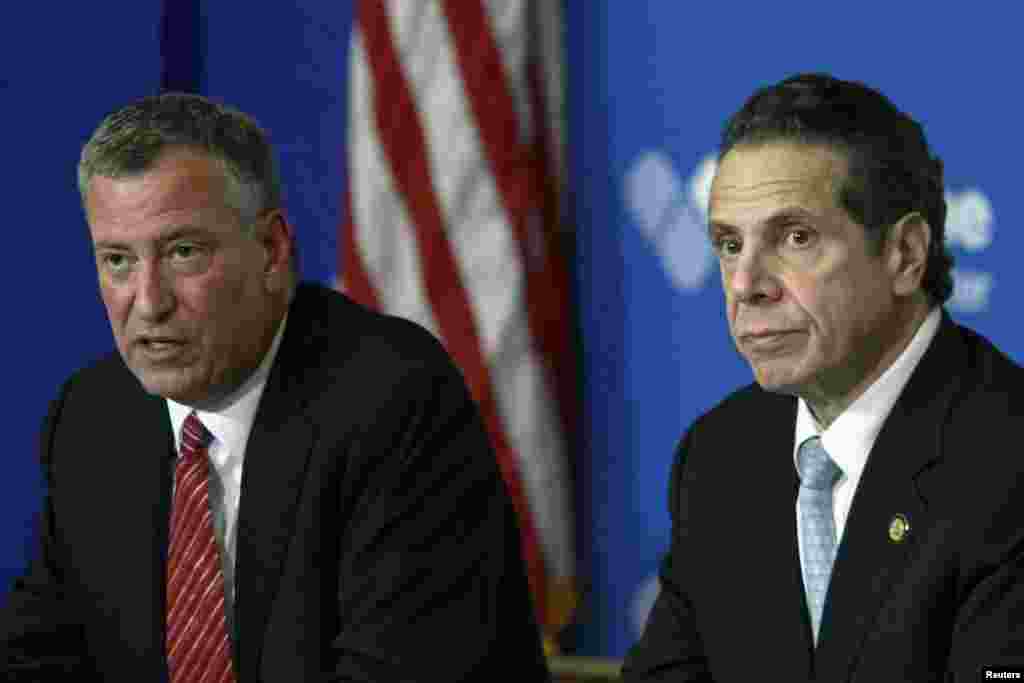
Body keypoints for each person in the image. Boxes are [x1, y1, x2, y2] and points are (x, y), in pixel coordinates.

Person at [0, 93, 550, 682]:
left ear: (271, 249)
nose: (149, 302)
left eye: (183, 252)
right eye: (117, 261)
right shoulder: (94, 418)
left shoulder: (390, 397)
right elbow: (37, 659)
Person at [622, 73, 1024, 682]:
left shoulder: (1009, 458)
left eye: (795, 237)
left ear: (905, 255)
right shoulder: (720, 457)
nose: (744, 284)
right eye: (729, 244)